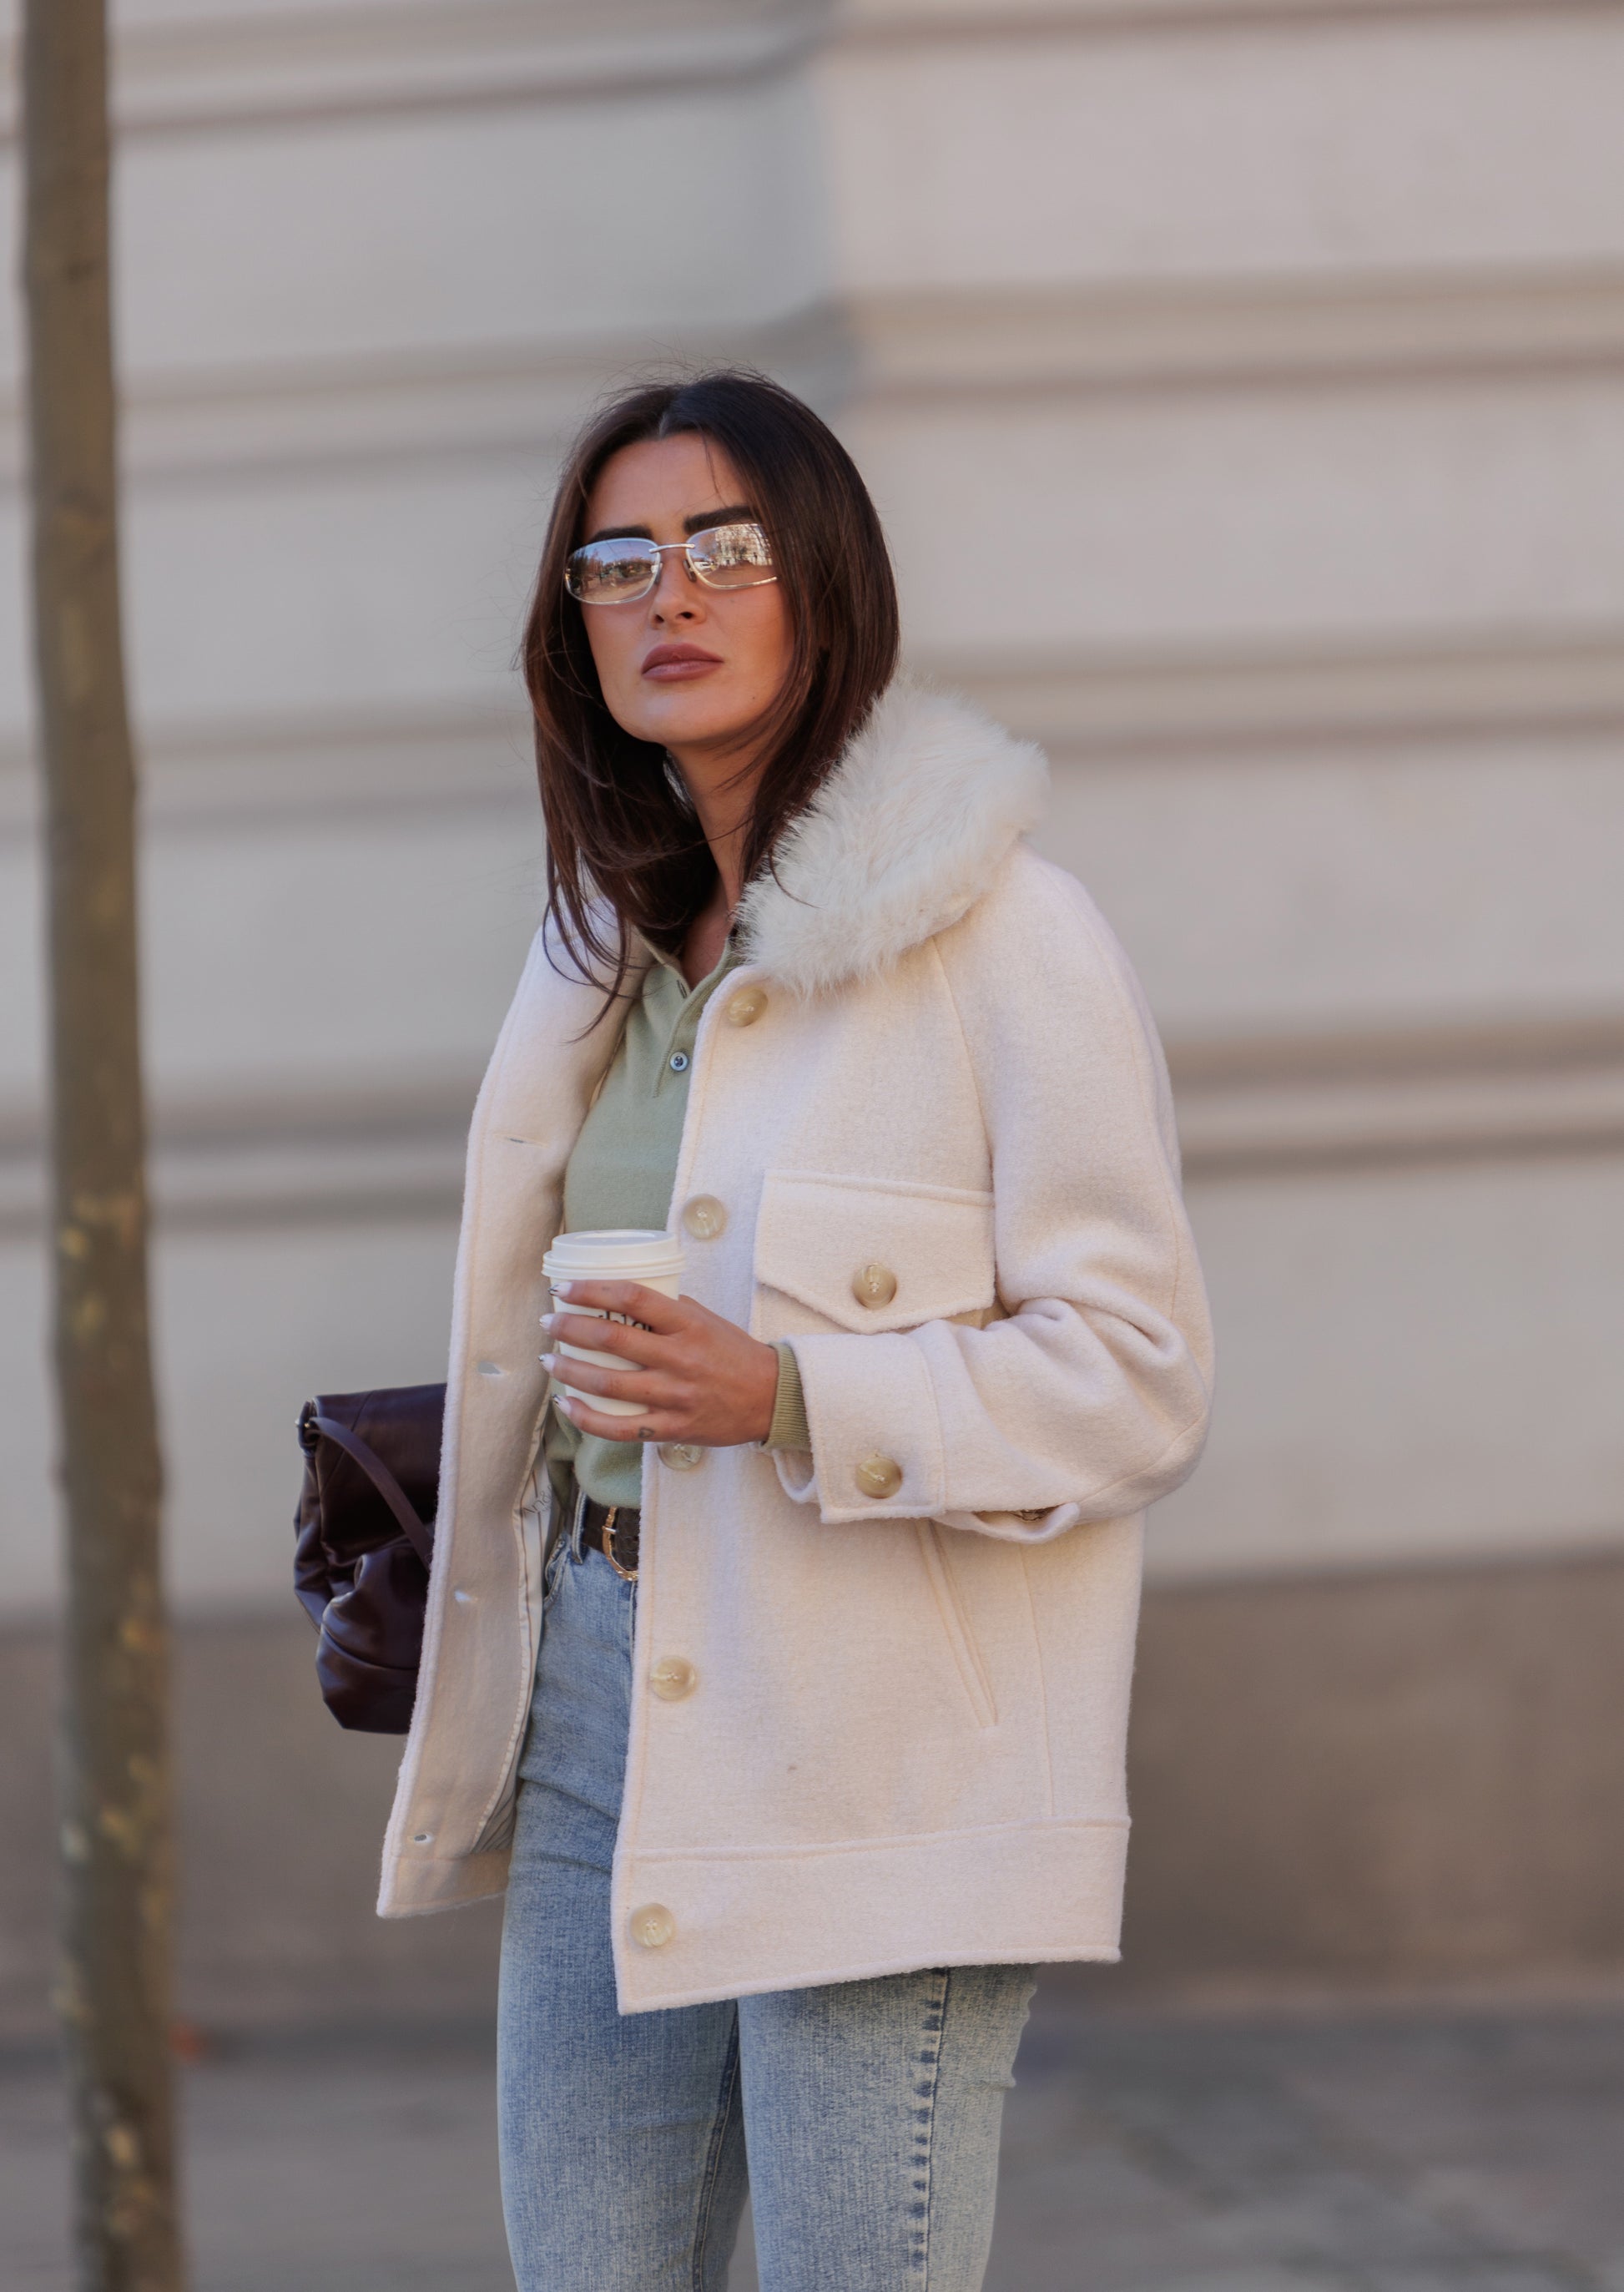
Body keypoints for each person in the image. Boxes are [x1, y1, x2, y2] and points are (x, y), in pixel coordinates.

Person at [378, 371, 1213, 2290]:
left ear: (825, 581)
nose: (665, 593)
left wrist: (785, 1391)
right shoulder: (594, 952)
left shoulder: (1003, 934)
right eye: (614, 562)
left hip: (873, 1741)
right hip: (595, 1688)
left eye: (723, 546)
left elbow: (1138, 1375)